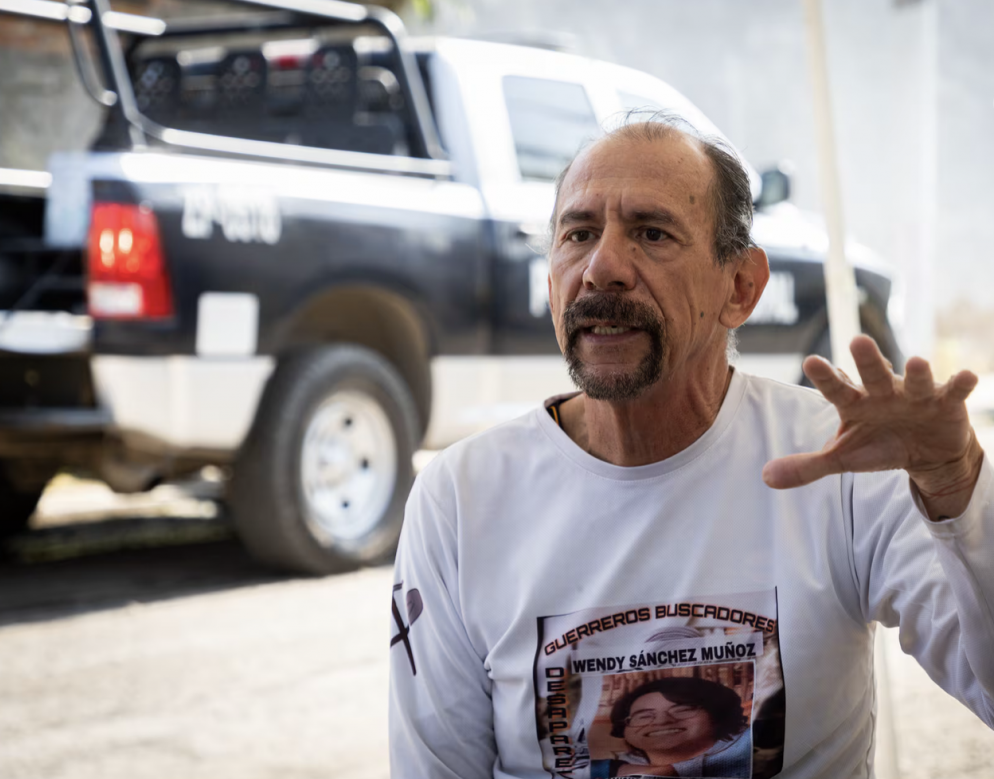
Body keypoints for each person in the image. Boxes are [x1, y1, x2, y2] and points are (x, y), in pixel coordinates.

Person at [388, 114, 993, 779]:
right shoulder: (461, 497)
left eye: (652, 233)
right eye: (579, 234)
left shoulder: (836, 461)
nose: (602, 268)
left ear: (740, 287)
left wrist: (955, 484)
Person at [591, 676, 752, 778]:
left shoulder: (750, 748)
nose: (662, 721)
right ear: (624, 729)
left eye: (682, 710)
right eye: (644, 716)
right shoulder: (599, 770)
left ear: (717, 716)